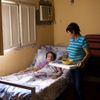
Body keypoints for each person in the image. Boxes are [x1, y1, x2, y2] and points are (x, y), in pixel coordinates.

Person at [65, 22, 90, 100]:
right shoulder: (71, 39)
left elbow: (88, 53)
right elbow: (70, 51)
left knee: (78, 86)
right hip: (71, 65)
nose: (68, 35)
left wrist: (82, 62)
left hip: (79, 66)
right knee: (74, 85)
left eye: (69, 33)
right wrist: (64, 57)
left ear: (74, 32)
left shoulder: (83, 39)